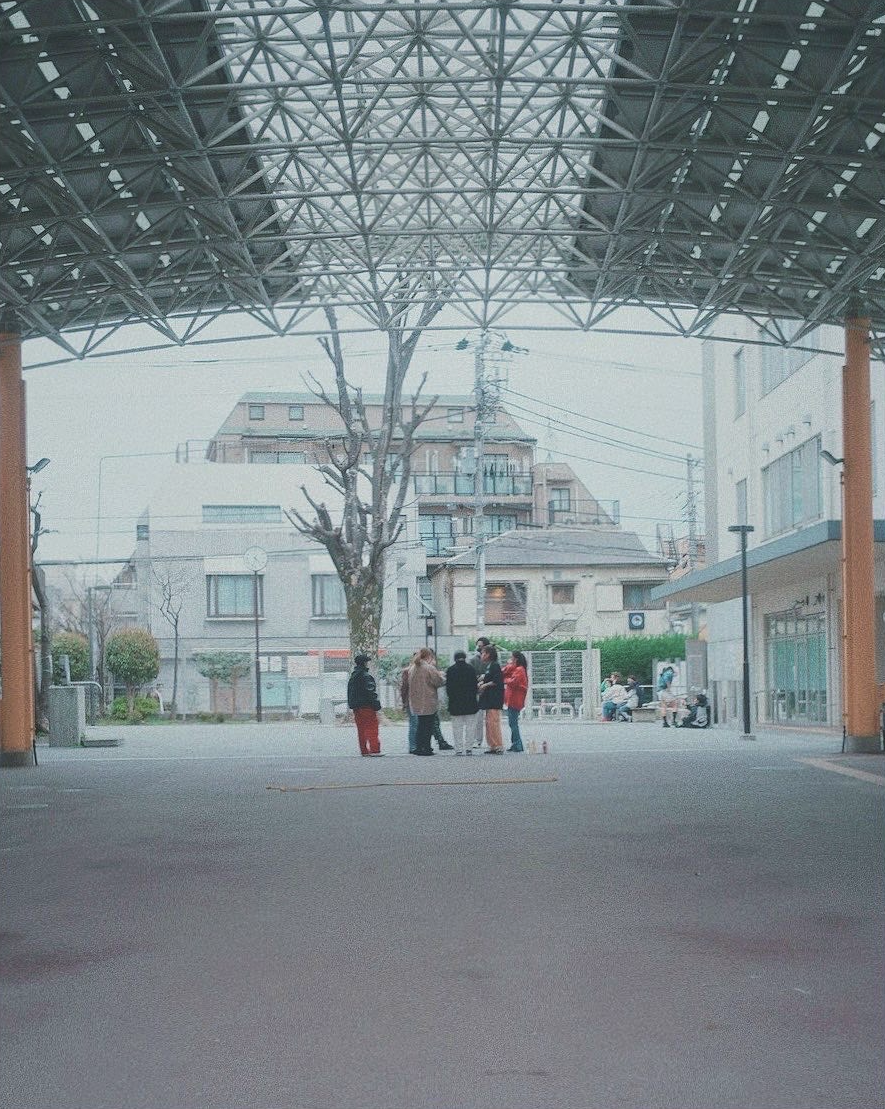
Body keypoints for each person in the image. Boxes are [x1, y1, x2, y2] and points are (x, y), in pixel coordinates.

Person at [407, 647, 446, 755]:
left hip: (416, 701)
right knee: (428, 725)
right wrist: (443, 677)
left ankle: (419, 747)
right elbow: (438, 681)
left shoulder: (413, 668)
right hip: (428, 700)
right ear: (429, 656)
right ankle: (427, 748)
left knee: (420, 725)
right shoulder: (429, 668)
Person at [347, 653, 382, 756]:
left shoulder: (353, 676)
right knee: (372, 728)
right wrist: (376, 705)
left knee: (361, 729)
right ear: (365, 663)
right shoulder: (366, 676)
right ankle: (374, 749)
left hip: (357, 707)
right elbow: (370, 692)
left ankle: (364, 750)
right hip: (367, 706)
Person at [445, 651, 479, 755]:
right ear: (465, 658)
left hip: (455, 703)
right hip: (470, 703)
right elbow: (475, 687)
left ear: (455, 658)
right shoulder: (471, 669)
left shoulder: (450, 670)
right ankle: (469, 748)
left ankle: (459, 749)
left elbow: (448, 688)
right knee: (470, 727)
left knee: (457, 728)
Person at [477, 644, 505, 753]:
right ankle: (492, 745)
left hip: (494, 699)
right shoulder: (490, 666)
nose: (481, 655)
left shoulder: (495, 665)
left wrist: (484, 685)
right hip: (489, 699)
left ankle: (498, 745)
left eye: (483, 653)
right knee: (489, 723)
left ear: (488, 654)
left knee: (493, 722)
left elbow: (497, 681)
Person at [502, 650, 528, 752]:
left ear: (515, 659)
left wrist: (505, 680)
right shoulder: (519, 669)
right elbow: (506, 671)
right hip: (515, 699)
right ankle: (515, 744)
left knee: (513, 723)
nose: (510, 659)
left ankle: (517, 744)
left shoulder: (519, 670)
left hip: (514, 699)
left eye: (511, 658)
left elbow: (514, 682)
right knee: (512, 723)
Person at [428, 649, 454, 750]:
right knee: (434, 721)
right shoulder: (429, 666)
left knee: (432, 721)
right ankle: (440, 741)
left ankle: (439, 741)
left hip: (427, 698)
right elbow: (437, 681)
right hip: (430, 698)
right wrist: (441, 676)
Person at [470, 636, 490, 747]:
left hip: (490, 691)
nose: (478, 648)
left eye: (480, 646)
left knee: (491, 719)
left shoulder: (493, 660)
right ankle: (477, 740)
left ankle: (491, 741)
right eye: (478, 646)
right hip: (478, 691)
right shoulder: (474, 660)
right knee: (478, 718)